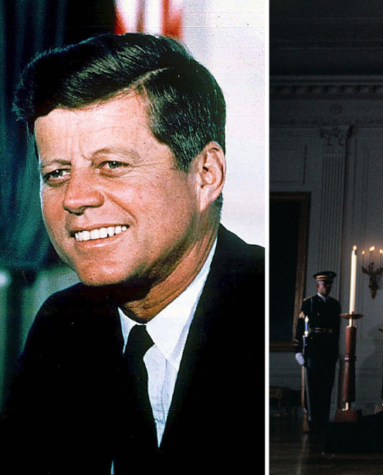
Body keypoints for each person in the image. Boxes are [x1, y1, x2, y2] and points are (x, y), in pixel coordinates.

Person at [0, 33, 264, 474]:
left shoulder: (261, 309)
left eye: (112, 165)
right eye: (57, 172)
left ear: (206, 174)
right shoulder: (62, 325)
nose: (75, 198)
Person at [294, 271, 342, 432]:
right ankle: (312, 420)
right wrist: (297, 350)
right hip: (313, 349)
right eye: (324, 284)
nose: (327, 287)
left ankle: (323, 420)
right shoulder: (309, 303)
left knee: (326, 386)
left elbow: (336, 331)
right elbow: (301, 326)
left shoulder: (335, 305)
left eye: (329, 284)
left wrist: (336, 352)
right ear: (318, 285)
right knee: (313, 386)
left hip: (328, 350)